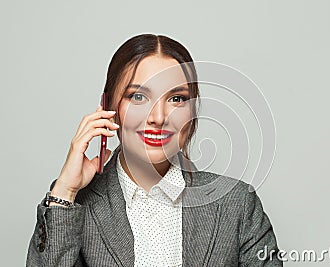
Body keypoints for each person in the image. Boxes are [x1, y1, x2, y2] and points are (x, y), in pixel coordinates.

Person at [26, 34, 283, 266]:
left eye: (177, 99)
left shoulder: (237, 203)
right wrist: (65, 191)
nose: (158, 117)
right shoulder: (74, 207)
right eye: (138, 96)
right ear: (108, 107)